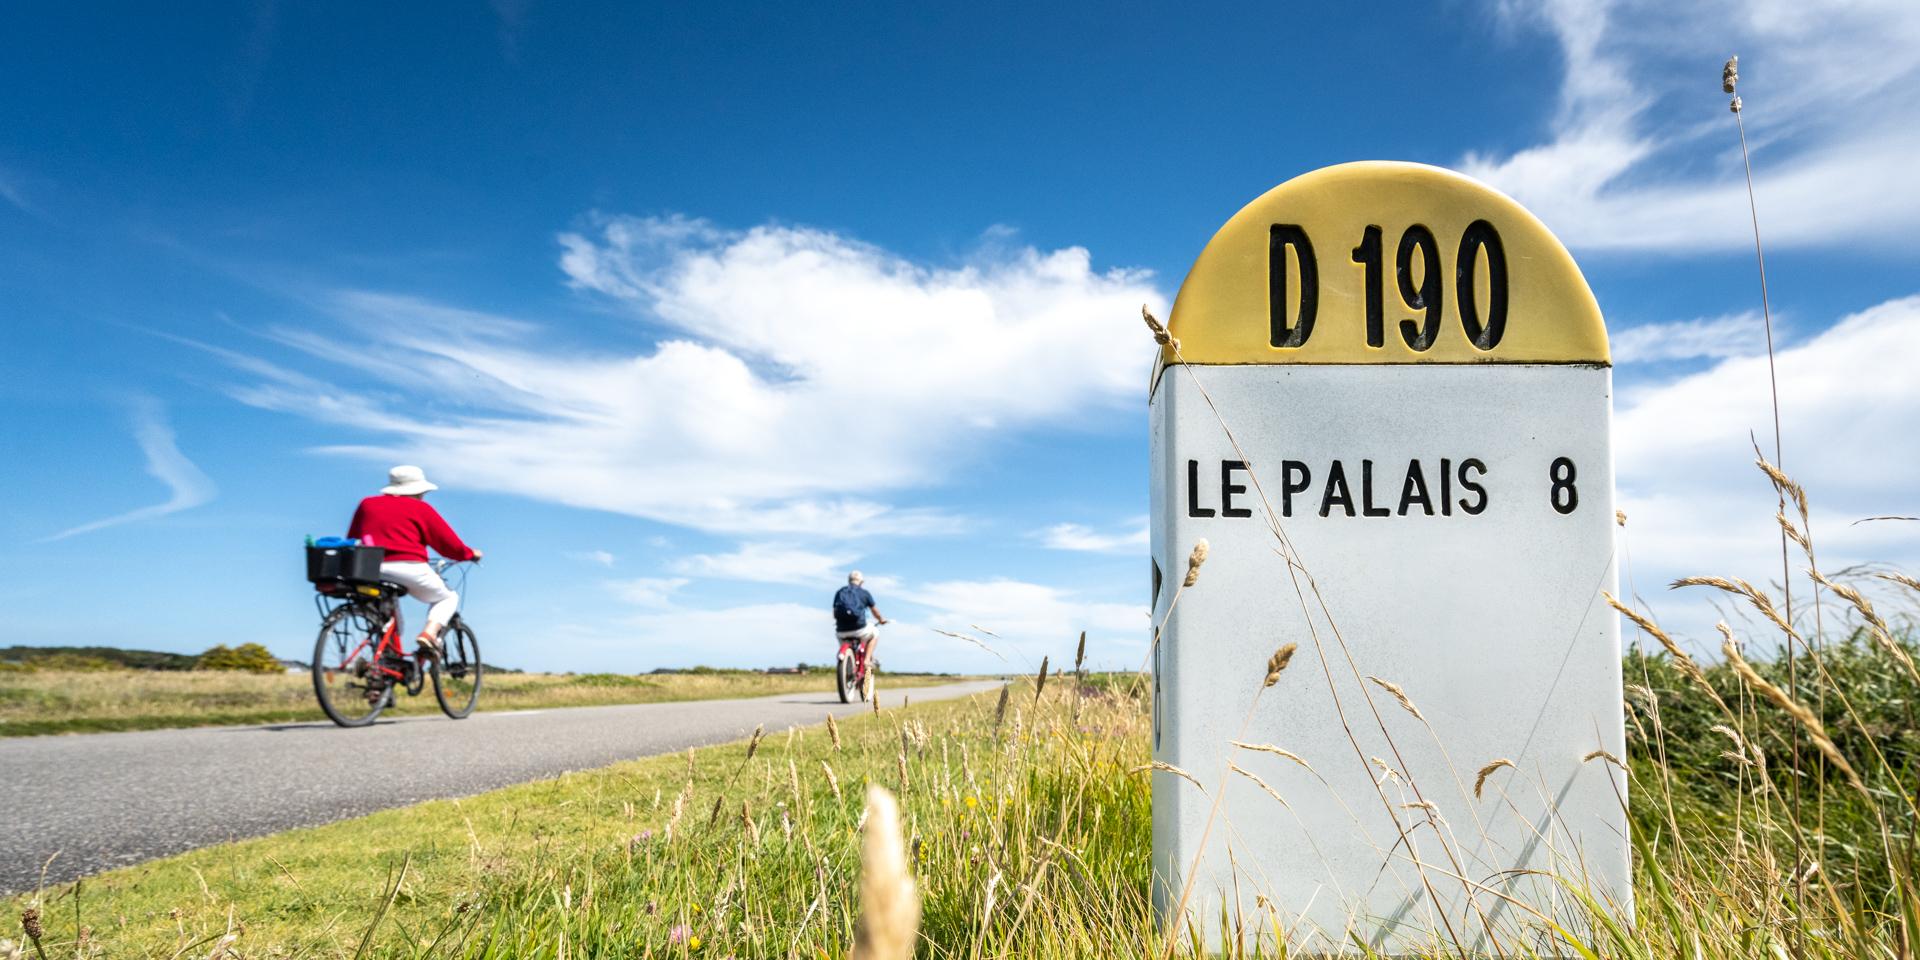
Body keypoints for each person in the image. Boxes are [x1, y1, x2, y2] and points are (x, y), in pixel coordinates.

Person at [346, 465, 481, 658]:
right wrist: (469, 554)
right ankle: (429, 634)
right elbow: (448, 545)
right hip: (408, 568)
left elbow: (352, 538)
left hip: (369, 570)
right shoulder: (421, 508)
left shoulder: (367, 504)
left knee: (391, 623)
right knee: (447, 597)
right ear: (418, 490)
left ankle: (385, 667)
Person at [832, 570, 888, 661]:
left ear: (849, 581)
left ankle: (846, 660)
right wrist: (881, 620)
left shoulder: (840, 592)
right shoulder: (864, 593)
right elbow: (875, 612)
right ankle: (867, 660)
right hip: (860, 629)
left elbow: (834, 614)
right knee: (875, 633)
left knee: (843, 642)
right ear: (861, 582)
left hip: (841, 631)